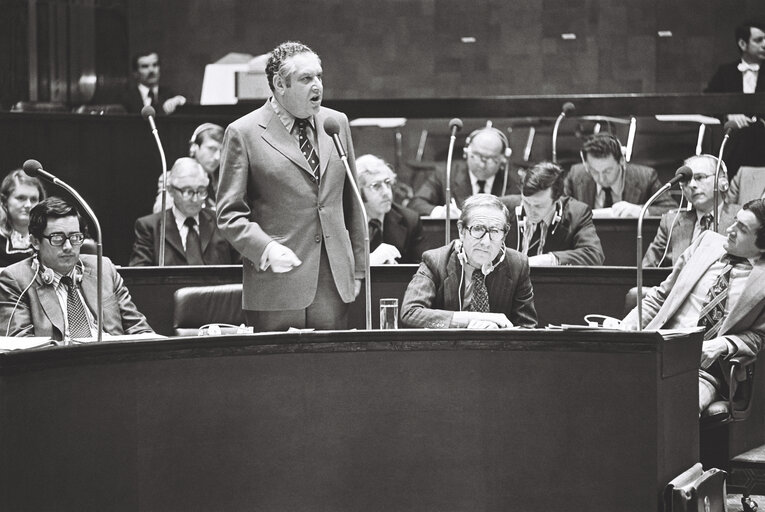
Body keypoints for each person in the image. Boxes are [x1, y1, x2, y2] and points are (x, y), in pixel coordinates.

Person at [216, 41, 364, 331]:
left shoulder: (336, 123)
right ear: (279, 84)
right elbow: (228, 214)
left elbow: (352, 202)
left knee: (334, 373)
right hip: (277, 280)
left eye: (319, 76)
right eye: (306, 79)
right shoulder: (243, 132)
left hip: (333, 281)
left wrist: (357, 269)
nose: (317, 86)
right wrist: (265, 248)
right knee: (277, 375)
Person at [622, 199, 765, 414]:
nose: (730, 230)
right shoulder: (706, 242)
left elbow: (759, 337)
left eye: (742, 229)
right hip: (656, 350)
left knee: (675, 408)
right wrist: (622, 330)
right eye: (735, 222)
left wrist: (723, 344)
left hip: (703, 370)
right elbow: (661, 296)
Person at [0, 197, 154, 340]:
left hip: (114, 361)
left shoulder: (104, 268)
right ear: (35, 242)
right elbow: (21, 348)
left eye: (75, 237)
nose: (68, 247)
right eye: (57, 238)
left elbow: (139, 329)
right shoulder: (16, 280)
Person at [400, 194, 537, 329]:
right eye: (477, 229)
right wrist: (474, 318)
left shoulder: (517, 264)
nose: (486, 242)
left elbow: (528, 327)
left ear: (504, 236)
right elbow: (410, 313)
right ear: (461, 231)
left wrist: (499, 330)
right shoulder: (435, 261)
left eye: (495, 231)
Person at [131, 158, 237, 266]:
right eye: (188, 192)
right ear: (171, 190)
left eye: (201, 191)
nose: (195, 199)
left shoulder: (222, 222)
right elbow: (139, 275)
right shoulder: (150, 227)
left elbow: (243, 268)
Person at [643, 155, 740, 267]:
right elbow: (646, 271)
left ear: (722, 182)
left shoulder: (742, 218)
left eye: (699, 177)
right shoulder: (671, 223)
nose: (692, 185)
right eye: (686, 180)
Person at [501, 162, 604, 266]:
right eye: (526, 202)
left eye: (538, 206)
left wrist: (550, 260)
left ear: (557, 199)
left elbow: (594, 255)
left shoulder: (577, 213)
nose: (530, 211)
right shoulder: (504, 207)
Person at [408, 126, 519, 218]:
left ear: (503, 159)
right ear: (466, 152)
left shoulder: (512, 179)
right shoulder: (445, 174)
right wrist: (440, 212)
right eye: (477, 156)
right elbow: (416, 203)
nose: (482, 164)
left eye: (490, 158)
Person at [705, 21, 765, 178]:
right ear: (742, 44)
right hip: (734, 148)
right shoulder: (725, 72)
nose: (764, 45)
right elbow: (707, 102)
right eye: (758, 40)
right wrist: (728, 116)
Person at [565, 133, 677, 217]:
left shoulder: (646, 177)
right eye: (594, 171)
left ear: (622, 161)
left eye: (607, 171)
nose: (601, 178)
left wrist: (642, 211)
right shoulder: (576, 175)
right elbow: (558, 210)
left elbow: (672, 209)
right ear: (586, 165)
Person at [356, 154, 425, 264]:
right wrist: (369, 262)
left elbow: (422, 272)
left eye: (387, 183)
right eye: (376, 186)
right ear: (358, 192)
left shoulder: (410, 221)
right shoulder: (344, 223)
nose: (386, 192)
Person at [153, 123, 224, 213]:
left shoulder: (223, 181)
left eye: (221, 151)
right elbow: (162, 216)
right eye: (211, 149)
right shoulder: (175, 178)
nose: (218, 157)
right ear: (193, 147)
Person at [108, 51, 186, 115]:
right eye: (145, 66)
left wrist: (178, 100)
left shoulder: (170, 94)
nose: (151, 70)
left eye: (155, 65)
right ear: (135, 73)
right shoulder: (125, 98)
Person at [0, 170, 46, 267]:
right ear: (4, 201)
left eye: (33, 199)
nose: (28, 205)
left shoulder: (47, 238)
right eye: (21, 198)